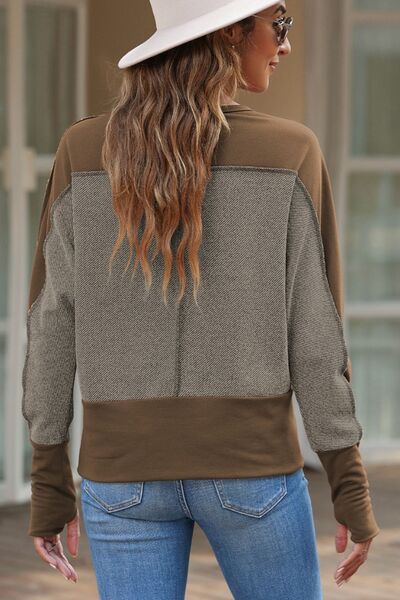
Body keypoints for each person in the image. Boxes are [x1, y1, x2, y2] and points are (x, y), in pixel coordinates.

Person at [21, 1, 380, 598]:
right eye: (279, 24)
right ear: (231, 33)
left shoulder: (82, 151)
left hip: (122, 478)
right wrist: (349, 483)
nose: (286, 45)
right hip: (252, 472)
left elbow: (51, 324)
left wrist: (49, 485)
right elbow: (316, 336)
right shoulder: (291, 151)